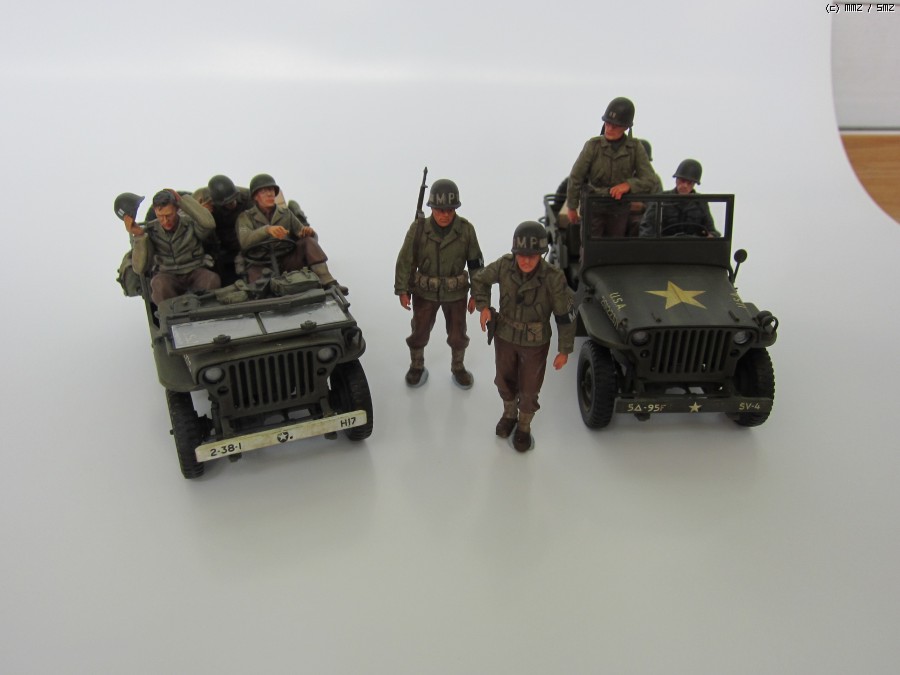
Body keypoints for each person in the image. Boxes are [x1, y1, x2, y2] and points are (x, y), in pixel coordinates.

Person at [472, 221, 575, 452]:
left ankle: (524, 426)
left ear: (541, 254)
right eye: (521, 255)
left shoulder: (553, 277)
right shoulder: (504, 266)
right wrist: (483, 305)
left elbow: (564, 315)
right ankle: (509, 414)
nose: (526, 261)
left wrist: (564, 349)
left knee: (530, 389)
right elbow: (480, 279)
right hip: (505, 335)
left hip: (535, 342)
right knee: (503, 379)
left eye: (532, 256)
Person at [394, 178, 483, 389]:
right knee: (419, 331)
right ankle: (416, 365)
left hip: (456, 294)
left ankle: (458, 367)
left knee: (458, 333)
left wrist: (477, 294)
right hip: (425, 293)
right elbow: (405, 260)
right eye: (439, 210)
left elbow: (476, 264)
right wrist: (402, 289)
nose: (445, 215)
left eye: (450, 210)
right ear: (431, 208)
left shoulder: (466, 230)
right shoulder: (418, 229)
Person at [566, 97, 658, 237]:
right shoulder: (593, 146)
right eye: (607, 124)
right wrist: (572, 207)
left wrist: (628, 185)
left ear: (625, 127)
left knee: (614, 246)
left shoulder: (634, 148)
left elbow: (650, 179)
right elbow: (576, 176)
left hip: (618, 208)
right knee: (591, 246)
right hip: (594, 206)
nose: (609, 129)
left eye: (614, 126)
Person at [235, 173, 344, 289]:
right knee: (257, 288)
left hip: (286, 260)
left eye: (271, 190)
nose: (269, 194)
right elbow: (245, 241)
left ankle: (328, 281)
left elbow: (303, 234)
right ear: (255, 197)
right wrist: (267, 230)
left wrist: (308, 232)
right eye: (263, 192)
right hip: (260, 263)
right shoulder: (245, 217)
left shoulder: (285, 214)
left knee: (308, 242)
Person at [128, 189, 221, 305]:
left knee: (212, 280)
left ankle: (206, 310)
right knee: (159, 284)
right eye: (160, 216)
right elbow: (139, 268)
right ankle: (172, 312)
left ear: (176, 209)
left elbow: (208, 224)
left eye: (169, 215)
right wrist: (139, 236)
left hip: (194, 270)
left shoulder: (190, 223)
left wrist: (182, 201)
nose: (165, 221)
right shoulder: (151, 232)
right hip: (168, 274)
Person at [639, 159, 719, 237]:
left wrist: (709, 236)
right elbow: (647, 228)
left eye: (689, 183)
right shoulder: (661, 200)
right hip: (665, 244)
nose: (685, 186)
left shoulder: (700, 203)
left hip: (692, 244)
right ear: (676, 180)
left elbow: (711, 231)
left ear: (694, 184)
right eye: (682, 181)